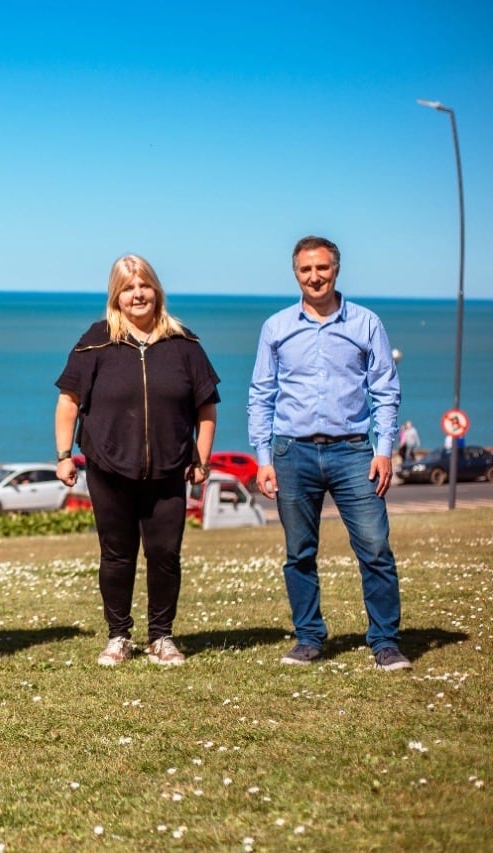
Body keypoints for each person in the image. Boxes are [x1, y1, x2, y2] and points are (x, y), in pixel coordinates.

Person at [247, 236, 411, 671]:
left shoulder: (366, 324)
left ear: (336, 269)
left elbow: (386, 391)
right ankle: (308, 637)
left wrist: (384, 450)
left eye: (322, 268)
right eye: (306, 270)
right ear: (295, 273)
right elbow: (261, 394)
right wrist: (263, 458)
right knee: (299, 552)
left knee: (375, 548)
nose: (315, 277)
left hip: (355, 452)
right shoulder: (277, 328)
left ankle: (386, 642)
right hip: (291, 452)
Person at [54, 255, 220, 667]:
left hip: (169, 470)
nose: (137, 294)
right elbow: (68, 402)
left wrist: (201, 460)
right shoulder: (95, 342)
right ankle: (118, 636)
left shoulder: (184, 344)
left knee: (165, 554)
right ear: (116, 295)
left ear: (156, 290)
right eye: (128, 288)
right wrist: (63, 456)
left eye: (144, 285)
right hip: (109, 469)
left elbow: (206, 409)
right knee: (116, 555)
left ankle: (161, 637)